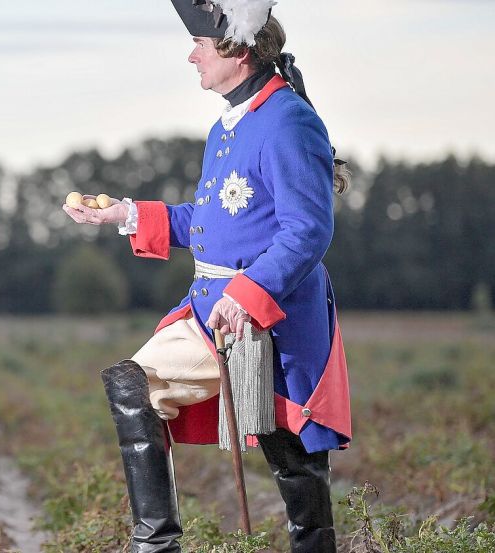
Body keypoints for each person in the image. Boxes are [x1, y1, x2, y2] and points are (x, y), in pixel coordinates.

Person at [63, 2, 351, 552]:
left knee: (295, 463)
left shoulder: (289, 121)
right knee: (134, 385)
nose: (191, 53)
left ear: (237, 52)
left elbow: (307, 231)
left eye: (200, 42)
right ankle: (157, 546)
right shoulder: (228, 123)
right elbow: (214, 220)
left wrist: (248, 296)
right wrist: (124, 214)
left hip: (278, 319)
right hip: (208, 311)